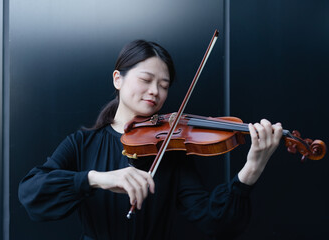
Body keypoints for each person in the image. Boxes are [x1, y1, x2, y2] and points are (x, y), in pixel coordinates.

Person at [18, 40, 283, 240]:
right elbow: (31, 192)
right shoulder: (82, 143)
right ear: (117, 79)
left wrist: (251, 169)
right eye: (146, 80)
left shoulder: (171, 149)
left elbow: (217, 222)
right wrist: (98, 178)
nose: (155, 91)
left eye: (164, 85)